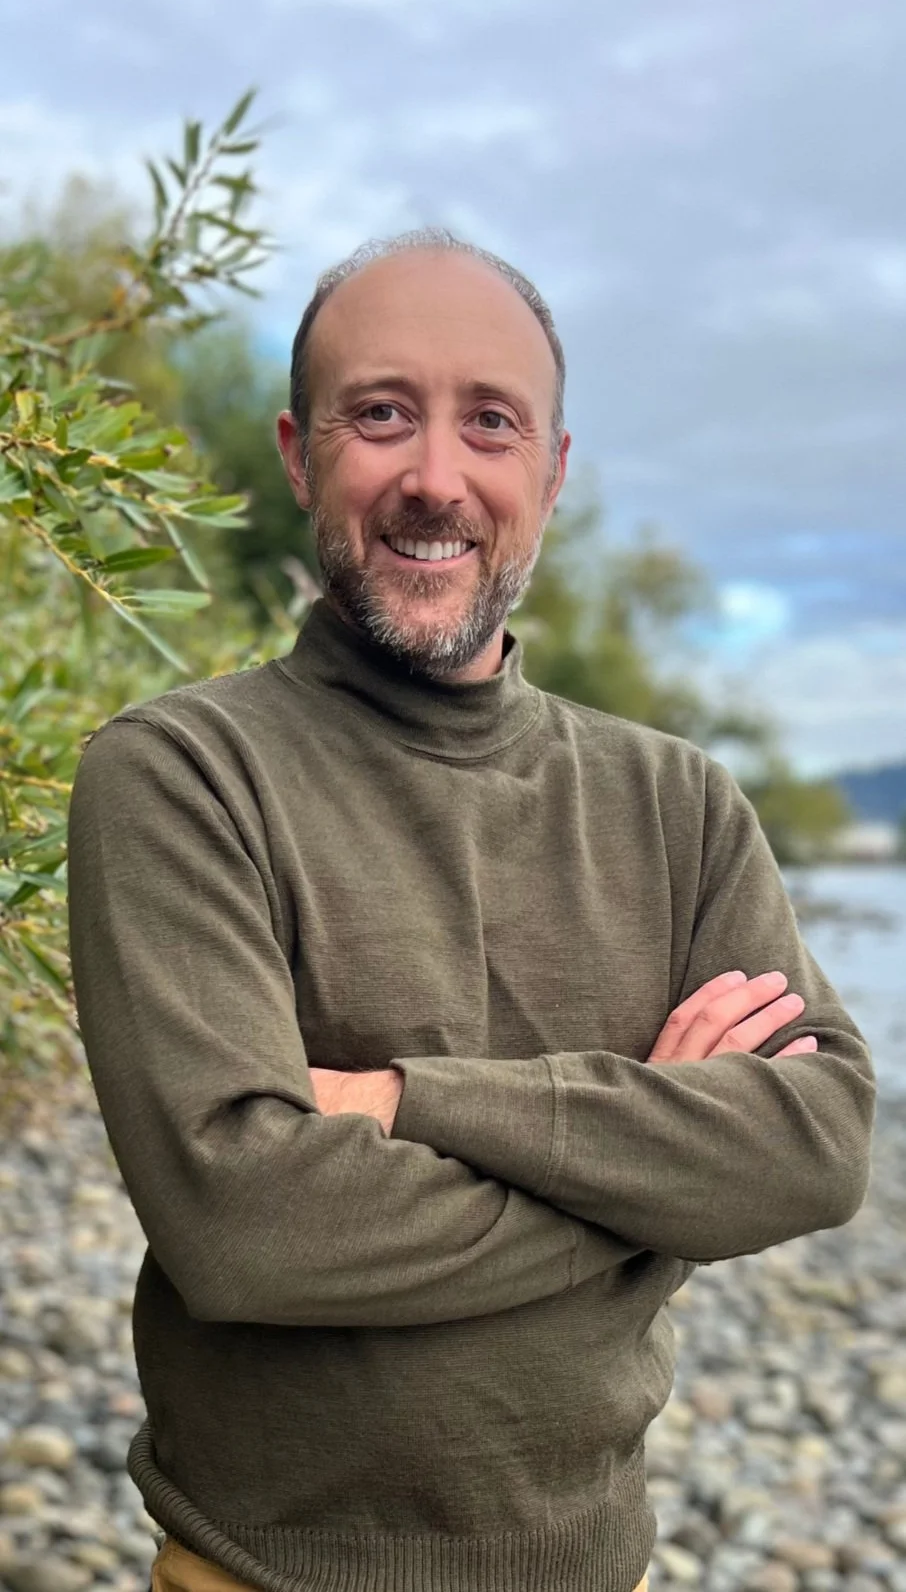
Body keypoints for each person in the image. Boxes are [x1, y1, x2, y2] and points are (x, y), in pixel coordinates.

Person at [67, 228, 876, 1592]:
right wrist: (654, 1178)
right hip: (263, 1571)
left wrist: (395, 1102)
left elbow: (814, 1147)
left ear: (551, 474)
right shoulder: (179, 774)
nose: (434, 479)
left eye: (490, 423)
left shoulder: (675, 803)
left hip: (597, 1562)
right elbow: (245, 1227)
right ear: (295, 451)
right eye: (379, 413)